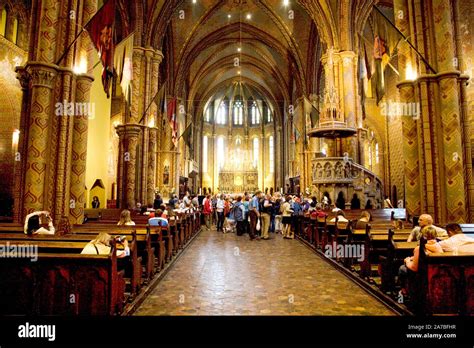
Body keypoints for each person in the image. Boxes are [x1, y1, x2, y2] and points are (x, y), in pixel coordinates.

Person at [398, 227, 442, 296]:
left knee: (402, 268)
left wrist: (407, 261)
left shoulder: (420, 248)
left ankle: (405, 291)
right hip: (435, 272)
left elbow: (414, 268)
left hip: (422, 274)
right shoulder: (438, 246)